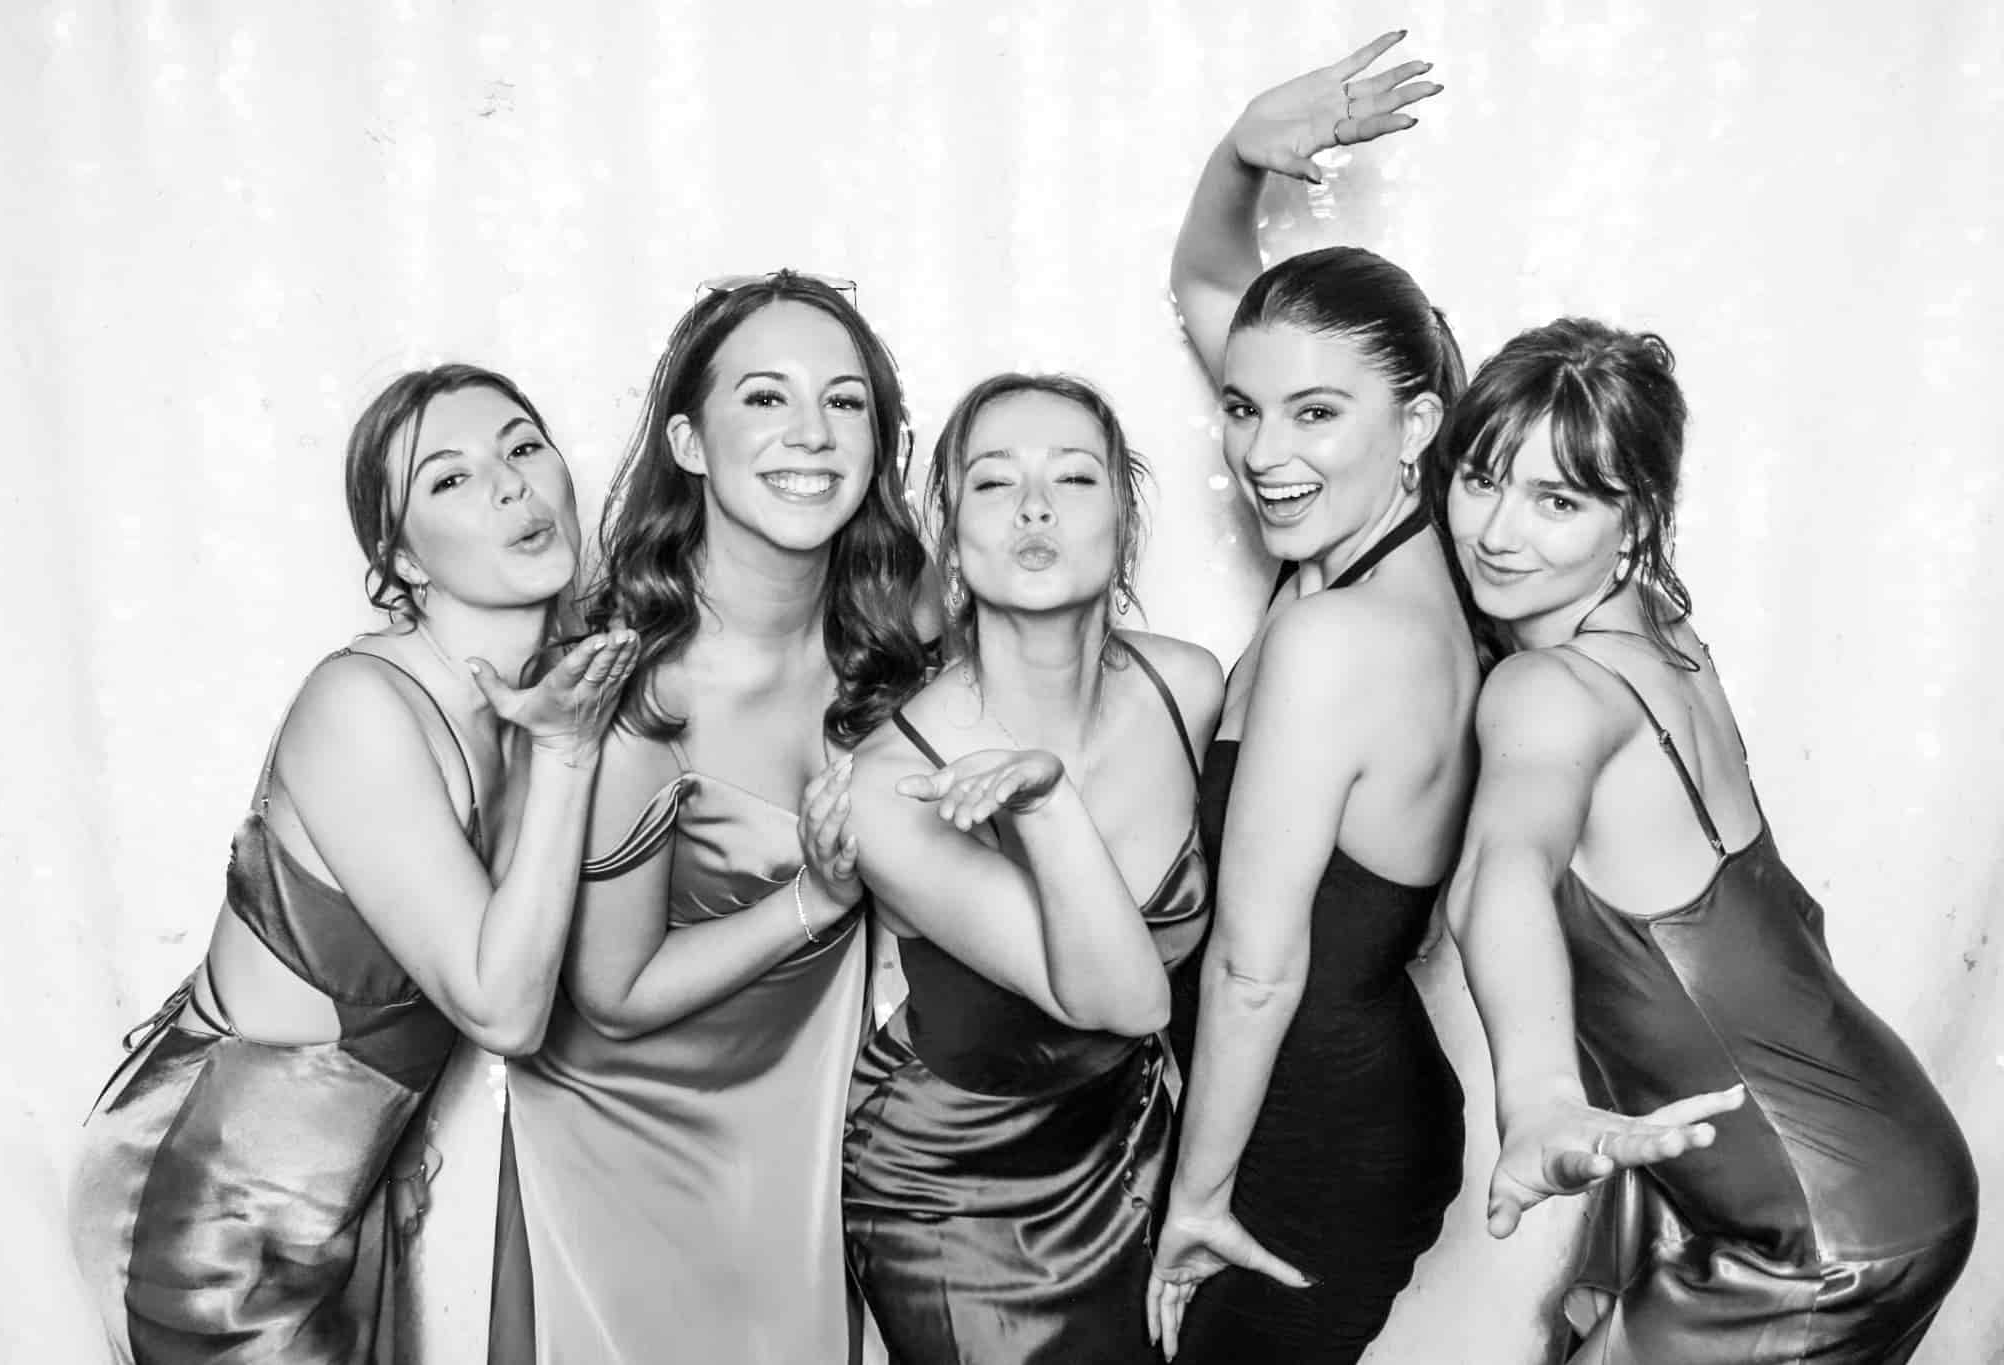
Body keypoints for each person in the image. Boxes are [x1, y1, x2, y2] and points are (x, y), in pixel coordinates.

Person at [69, 364, 638, 1364]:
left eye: (521, 446)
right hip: (211, 1209)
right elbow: (504, 1010)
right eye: (449, 478)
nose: (509, 484)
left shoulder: (550, 693)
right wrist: (565, 755)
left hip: (342, 1200)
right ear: (403, 557)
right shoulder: (362, 708)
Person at [1440, 317, 1979, 1363]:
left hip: (1818, 1237)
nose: (1497, 533)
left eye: (1556, 501)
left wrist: (1540, 1098)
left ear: (1634, 516)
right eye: (1479, 479)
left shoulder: (1547, 689)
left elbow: (1498, 877)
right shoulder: (1655, 626)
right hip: (1889, 1170)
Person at [491, 271, 933, 1364]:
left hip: (797, 1128)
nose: (812, 432)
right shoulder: (637, 691)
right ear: (689, 443)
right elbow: (614, 994)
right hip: (631, 1150)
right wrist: (816, 897)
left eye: (844, 401)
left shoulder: (895, 632)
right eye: (765, 397)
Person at [1144, 34, 1481, 1363]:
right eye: (1242, 410)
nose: (1263, 454)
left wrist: (1195, 1199)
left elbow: (1254, 966)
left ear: (1416, 423)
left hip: (1302, 1144)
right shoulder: (1385, 553)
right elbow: (1206, 279)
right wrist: (1241, 150)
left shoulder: (1343, 634)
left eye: (1315, 415)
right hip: (1329, 1104)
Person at [841, 372, 1220, 1364]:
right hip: (954, 1194)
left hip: (1133, 1159)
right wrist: (1047, 809)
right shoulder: (887, 783)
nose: (1035, 507)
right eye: (995, 481)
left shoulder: (1187, 687)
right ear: (951, 534)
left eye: (1074, 478)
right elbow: (1124, 998)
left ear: (1123, 522)